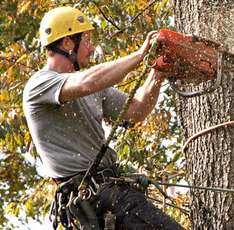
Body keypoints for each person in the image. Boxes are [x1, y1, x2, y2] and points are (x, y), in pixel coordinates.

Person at [23, 6, 183, 230]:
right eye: (86, 40)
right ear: (68, 43)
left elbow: (135, 110)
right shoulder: (40, 84)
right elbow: (86, 83)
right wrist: (140, 55)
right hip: (96, 197)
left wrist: (157, 73)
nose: (91, 48)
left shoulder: (93, 87)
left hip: (112, 191)